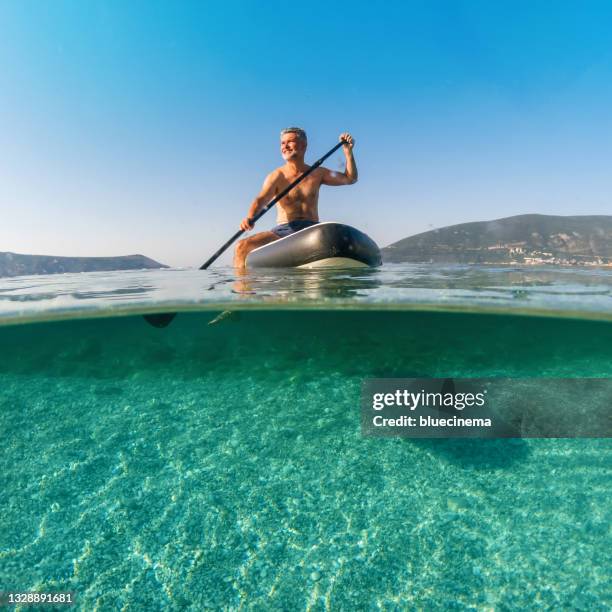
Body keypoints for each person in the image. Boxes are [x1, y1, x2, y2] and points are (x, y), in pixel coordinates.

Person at [233, 128, 357, 268]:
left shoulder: (317, 173)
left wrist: (348, 152)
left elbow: (350, 179)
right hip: (283, 231)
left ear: (304, 145)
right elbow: (261, 199)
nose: (285, 146)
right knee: (241, 247)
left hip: (311, 229)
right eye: (282, 143)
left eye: (290, 142)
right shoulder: (277, 176)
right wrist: (250, 216)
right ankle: (242, 288)